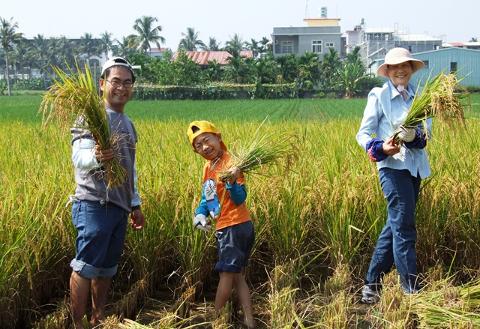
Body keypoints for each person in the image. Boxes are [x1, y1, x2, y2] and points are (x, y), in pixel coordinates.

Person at [69, 57, 145, 328]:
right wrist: (98, 156)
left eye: (127, 82)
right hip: (93, 203)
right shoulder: (90, 116)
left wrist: (134, 204)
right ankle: (79, 324)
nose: (121, 87)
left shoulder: (129, 124)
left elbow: (129, 169)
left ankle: (98, 317)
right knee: (86, 266)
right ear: (102, 84)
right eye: (115, 81)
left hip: (119, 206)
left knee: (106, 268)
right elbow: (79, 157)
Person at [356, 47, 431, 304]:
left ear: (411, 69)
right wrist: (381, 147)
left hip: (415, 169)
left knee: (395, 225)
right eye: (395, 67)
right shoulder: (379, 95)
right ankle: (410, 289)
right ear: (387, 71)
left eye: (405, 66)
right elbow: (363, 134)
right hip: (392, 168)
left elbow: (425, 136)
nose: (401, 70)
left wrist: (413, 137)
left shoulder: (419, 98)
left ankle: (371, 284)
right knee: (405, 228)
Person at [187, 120, 255, 328]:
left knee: (226, 274)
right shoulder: (209, 167)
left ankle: (216, 320)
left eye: (207, 140)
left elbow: (239, 198)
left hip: (234, 226)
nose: (205, 147)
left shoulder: (232, 163)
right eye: (198, 145)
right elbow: (207, 198)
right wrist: (199, 215)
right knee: (237, 277)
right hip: (228, 227)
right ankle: (249, 321)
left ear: (218, 137)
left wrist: (232, 181)